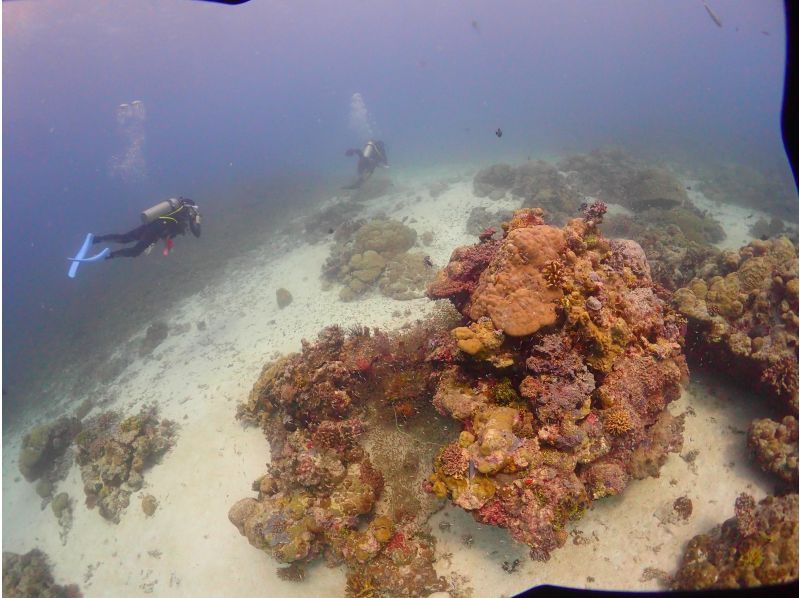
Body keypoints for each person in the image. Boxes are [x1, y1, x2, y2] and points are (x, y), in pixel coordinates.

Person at [93, 197, 201, 258]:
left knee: (124, 238)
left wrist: (164, 245)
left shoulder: (175, 214)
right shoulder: (187, 214)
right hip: (156, 229)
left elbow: (166, 233)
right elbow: (197, 233)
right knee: (135, 252)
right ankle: (109, 256)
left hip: (152, 224)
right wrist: (197, 219)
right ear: (190, 207)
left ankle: (97, 239)